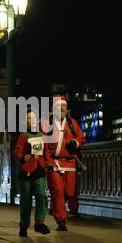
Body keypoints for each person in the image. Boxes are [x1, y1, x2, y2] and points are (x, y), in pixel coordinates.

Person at [43, 96, 85, 231]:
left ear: (67, 108)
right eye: (59, 106)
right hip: (53, 163)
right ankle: (61, 221)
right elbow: (42, 143)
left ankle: (56, 206)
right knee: (57, 191)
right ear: (53, 109)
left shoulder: (73, 123)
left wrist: (75, 142)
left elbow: (81, 138)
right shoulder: (46, 124)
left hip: (70, 163)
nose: (62, 108)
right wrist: (47, 162)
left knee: (70, 192)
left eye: (64, 106)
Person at [13, 107, 51, 237]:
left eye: (34, 118)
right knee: (26, 200)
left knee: (41, 195)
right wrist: (23, 157)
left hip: (39, 169)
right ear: (25, 121)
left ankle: (39, 223)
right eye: (29, 118)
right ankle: (24, 225)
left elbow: (46, 153)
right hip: (26, 171)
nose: (32, 120)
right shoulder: (23, 135)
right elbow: (16, 152)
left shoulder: (42, 135)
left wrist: (48, 163)